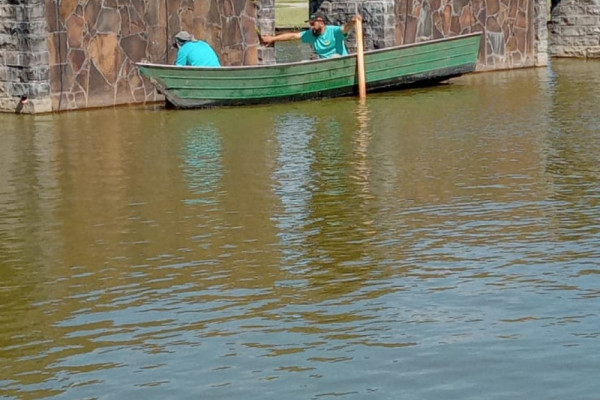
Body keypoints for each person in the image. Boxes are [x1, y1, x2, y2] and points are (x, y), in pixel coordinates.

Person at [261, 12, 362, 59]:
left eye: (313, 24)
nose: (311, 27)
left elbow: (345, 28)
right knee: (304, 63)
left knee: (334, 56)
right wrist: (273, 38)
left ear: (321, 22)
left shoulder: (334, 31)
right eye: (310, 24)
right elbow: (293, 36)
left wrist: (353, 22)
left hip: (340, 62)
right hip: (325, 66)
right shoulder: (311, 34)